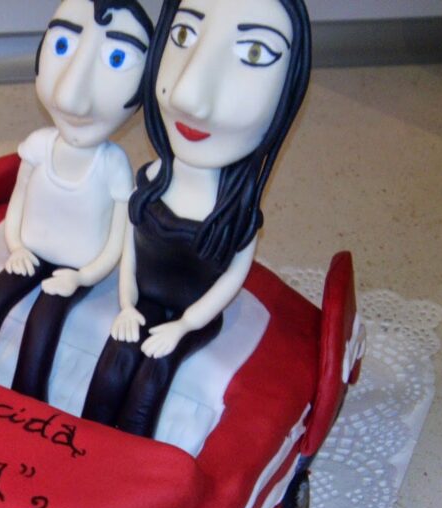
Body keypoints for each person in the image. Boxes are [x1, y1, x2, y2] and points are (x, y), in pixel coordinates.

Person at [82, 0, 312, 436]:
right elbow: (130, 249)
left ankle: (134, 455)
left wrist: (184, 326)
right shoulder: (150, 180)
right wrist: (128, 305)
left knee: (154, 376)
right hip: (144, 301)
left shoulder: (238, 212)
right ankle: (87, 444)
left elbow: (230, 280)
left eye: (255, 53)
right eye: (183, 35)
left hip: (195, 316)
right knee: (115, 362)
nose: (186, 95)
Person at [0, 0, 153, 402]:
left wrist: (83, 277)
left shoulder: (112, 165)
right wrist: (17, 246)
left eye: (116, 59)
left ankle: (27, 404)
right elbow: (19, 199)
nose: (71, 99)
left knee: (44, 323)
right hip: (31, 252)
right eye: (62, 46)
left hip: (77, 268)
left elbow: (119, 237)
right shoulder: (39, 146)